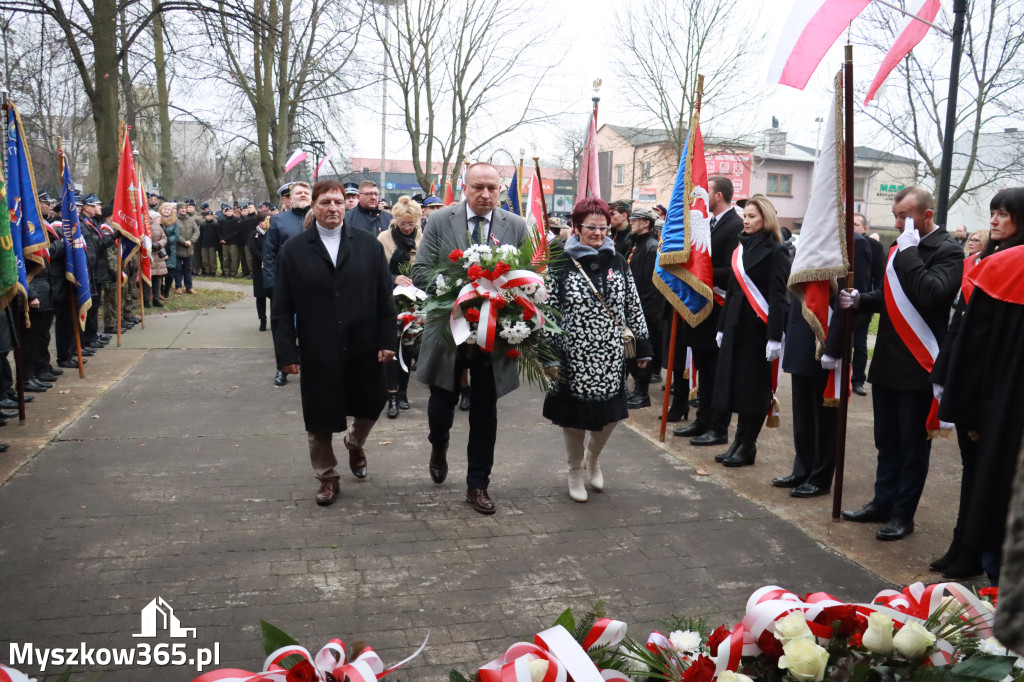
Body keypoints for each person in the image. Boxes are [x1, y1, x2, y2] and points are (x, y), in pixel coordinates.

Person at [839, 186, 963, 541]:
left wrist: (908, 253)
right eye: (895, 216)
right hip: (890, 360)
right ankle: (882, 502)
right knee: (886, 440)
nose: (898, 223)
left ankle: (902, 514)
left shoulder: (949, 252)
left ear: (927, 215)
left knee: (912, 445)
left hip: (919, 364)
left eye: (905, 216)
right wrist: (862, 299)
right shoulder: (900, 247)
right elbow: (893, 297)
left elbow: (931, 293)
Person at [271, 179, 397, 507]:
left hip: (364, 343)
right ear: (313, 206)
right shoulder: (295, 250)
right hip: (318, 346)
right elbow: (282, 308)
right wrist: (287, 352)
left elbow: (385, 297)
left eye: (339, 202)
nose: (333, 209)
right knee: (320, 416)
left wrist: (388, 340)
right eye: (326, 202)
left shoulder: (369, 245)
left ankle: (355, 443)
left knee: (373, 402)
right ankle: (327, 475)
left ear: (347, 205)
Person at [411, 162, 527, 515]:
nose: (486, 195)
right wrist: (462, 289)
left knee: (485, 411)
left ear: (501, 190)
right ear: (465, 188)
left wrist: (505, 302)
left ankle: (478, 484)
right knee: (441, 401)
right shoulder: (440, 220)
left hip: (495, 335)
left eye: (492, 188)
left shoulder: (517, 226)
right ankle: (439, 444)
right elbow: (420, 269)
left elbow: (530, 275)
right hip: (451, 329)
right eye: (478, 187)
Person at [930, 188, 1024, 579]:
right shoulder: (986, 262)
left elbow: (979, 349)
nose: (995, 220)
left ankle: (976, 552)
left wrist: (966, 405)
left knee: (988, 479)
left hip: (993, 402)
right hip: (993, 399)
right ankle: (964, 546)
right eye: (994, 213)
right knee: (977, 476)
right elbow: (961, 332)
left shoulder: (1002, 268)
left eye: (1005, 214)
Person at [543, 197, 651, 502]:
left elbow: (633, 304)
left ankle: (593, 456)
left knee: (611, 417)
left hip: (611, 355)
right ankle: (574, 469)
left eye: (604, 228)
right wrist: (548, 353)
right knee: (574, 420)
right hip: (572, 355)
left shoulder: (617, 260)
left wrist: (643, 347)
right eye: (591, 227)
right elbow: (549, 310)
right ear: (576, 228)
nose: (598, 233)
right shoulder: (560, 262)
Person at [773, 231, 871, 498]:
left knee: (825, 416)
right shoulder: (815, 233)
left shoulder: (855, 242)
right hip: (801, 334)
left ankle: (820, 476)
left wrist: (836, 346)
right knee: (803, 413)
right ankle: (802, 468)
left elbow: (850, 301)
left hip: (826, 337)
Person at [711, 195, 791, 468]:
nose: (746, 220)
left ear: (765, 218)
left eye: (752, 216)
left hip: (758, 329)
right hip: (735, 326)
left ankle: (748, 444)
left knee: (753, 390)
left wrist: (773, 336)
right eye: (745, 216)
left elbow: (779, 297)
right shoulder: (740, 249)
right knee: (737, 387)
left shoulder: (777, 250)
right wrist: (722, 327)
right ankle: (738, 441)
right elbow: (733, 291)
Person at [673, 176, 743, 440]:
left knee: (716, 371)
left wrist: (698, 272)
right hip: (703, 307)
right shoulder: (710, 223)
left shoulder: (735, 225)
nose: (702, 198)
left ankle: (718, 427)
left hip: (719, 308)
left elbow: (731, 271)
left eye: (707, 192)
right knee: (703, 369)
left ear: (718, 196)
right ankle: (702, 421)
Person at [263, 181, 312, 386]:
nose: (302, 196)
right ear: (289, 198)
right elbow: (269, 254)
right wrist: (271, 285)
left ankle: (309, 365)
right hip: (286, 284)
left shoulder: (318, 219)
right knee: (283, 329)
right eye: (298, 193)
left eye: (305, 193)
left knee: (311, 328)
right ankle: (282, 367)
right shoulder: (279, 221)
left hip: (313, 285)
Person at [377, 196, 423, 418]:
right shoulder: (384, 238)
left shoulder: (422, 238)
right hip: (390, 301)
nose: (406, 228)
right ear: (395, 221)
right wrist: (394, 277)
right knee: (392, 348)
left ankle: (403, 393)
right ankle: (391, 396)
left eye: (411, 224)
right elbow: (376, 269)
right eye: (403, 224)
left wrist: (417, 279)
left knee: (409, 347)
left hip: (416, 300)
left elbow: (429, 267)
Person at [623, 206, 661, 409]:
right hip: (631, 306)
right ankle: (634, 389)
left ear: (646, 223)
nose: (631, 222)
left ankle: (641, 392)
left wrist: (642, 310)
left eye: (635, 219)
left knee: (642, 352)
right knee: (630, 350)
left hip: (644, 309)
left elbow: (650, 284)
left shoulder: (652, 247)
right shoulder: (633, 242)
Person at [850, 213, 884, 396]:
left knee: (860, 343)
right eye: (850, 223)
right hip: (842, 303)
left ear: (865, 229)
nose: (852, 226)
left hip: (863, 301)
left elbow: (880, 276)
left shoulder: (874, 247)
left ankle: (858, 380)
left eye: (856, 224)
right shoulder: (842, 243)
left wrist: (869, 299)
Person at [249, 214, 270, 331]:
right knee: (260, 296)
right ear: (260, 222)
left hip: (270, 268)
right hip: (258, 267)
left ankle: (274, 319)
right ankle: (262, 320)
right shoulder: (253, 234)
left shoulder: (271, 233)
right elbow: (252, 248)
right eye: (266, 221)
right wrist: (263, 258)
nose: (267, 223)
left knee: (274, 295)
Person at [174, 203, 200, 295]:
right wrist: (184, 241)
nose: (183, 210)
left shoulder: (191, 220)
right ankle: (178, 287)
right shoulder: (174, 220)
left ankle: (189, 287)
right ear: (177, 210)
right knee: (178, 269)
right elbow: (175, 233)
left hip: (189, 249)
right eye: (181, 208)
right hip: (178, 248)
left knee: (188, 269)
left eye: (184, 208)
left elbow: (196, 231)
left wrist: (191, 241)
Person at [158, 202, 181, 300]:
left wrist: (167, 240)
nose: (166, 211)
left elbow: (176, 235)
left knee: (170, 272)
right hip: (159, 248)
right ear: (161, 210)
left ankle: (166, 290)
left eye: (168, 209)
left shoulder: (174, 221)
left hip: (171, 249)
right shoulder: (157, 220)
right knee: (159, 272)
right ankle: (159, 290)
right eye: (164, 209)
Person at [148, 216, 168, 307]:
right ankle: (146, 299)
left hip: (157, 254)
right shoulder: (141, 225)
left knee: (157, 277)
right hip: (146, 255)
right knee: (147, 278)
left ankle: (156, 299)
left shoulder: (157, 226)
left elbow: (164, 238)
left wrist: (159, 244)